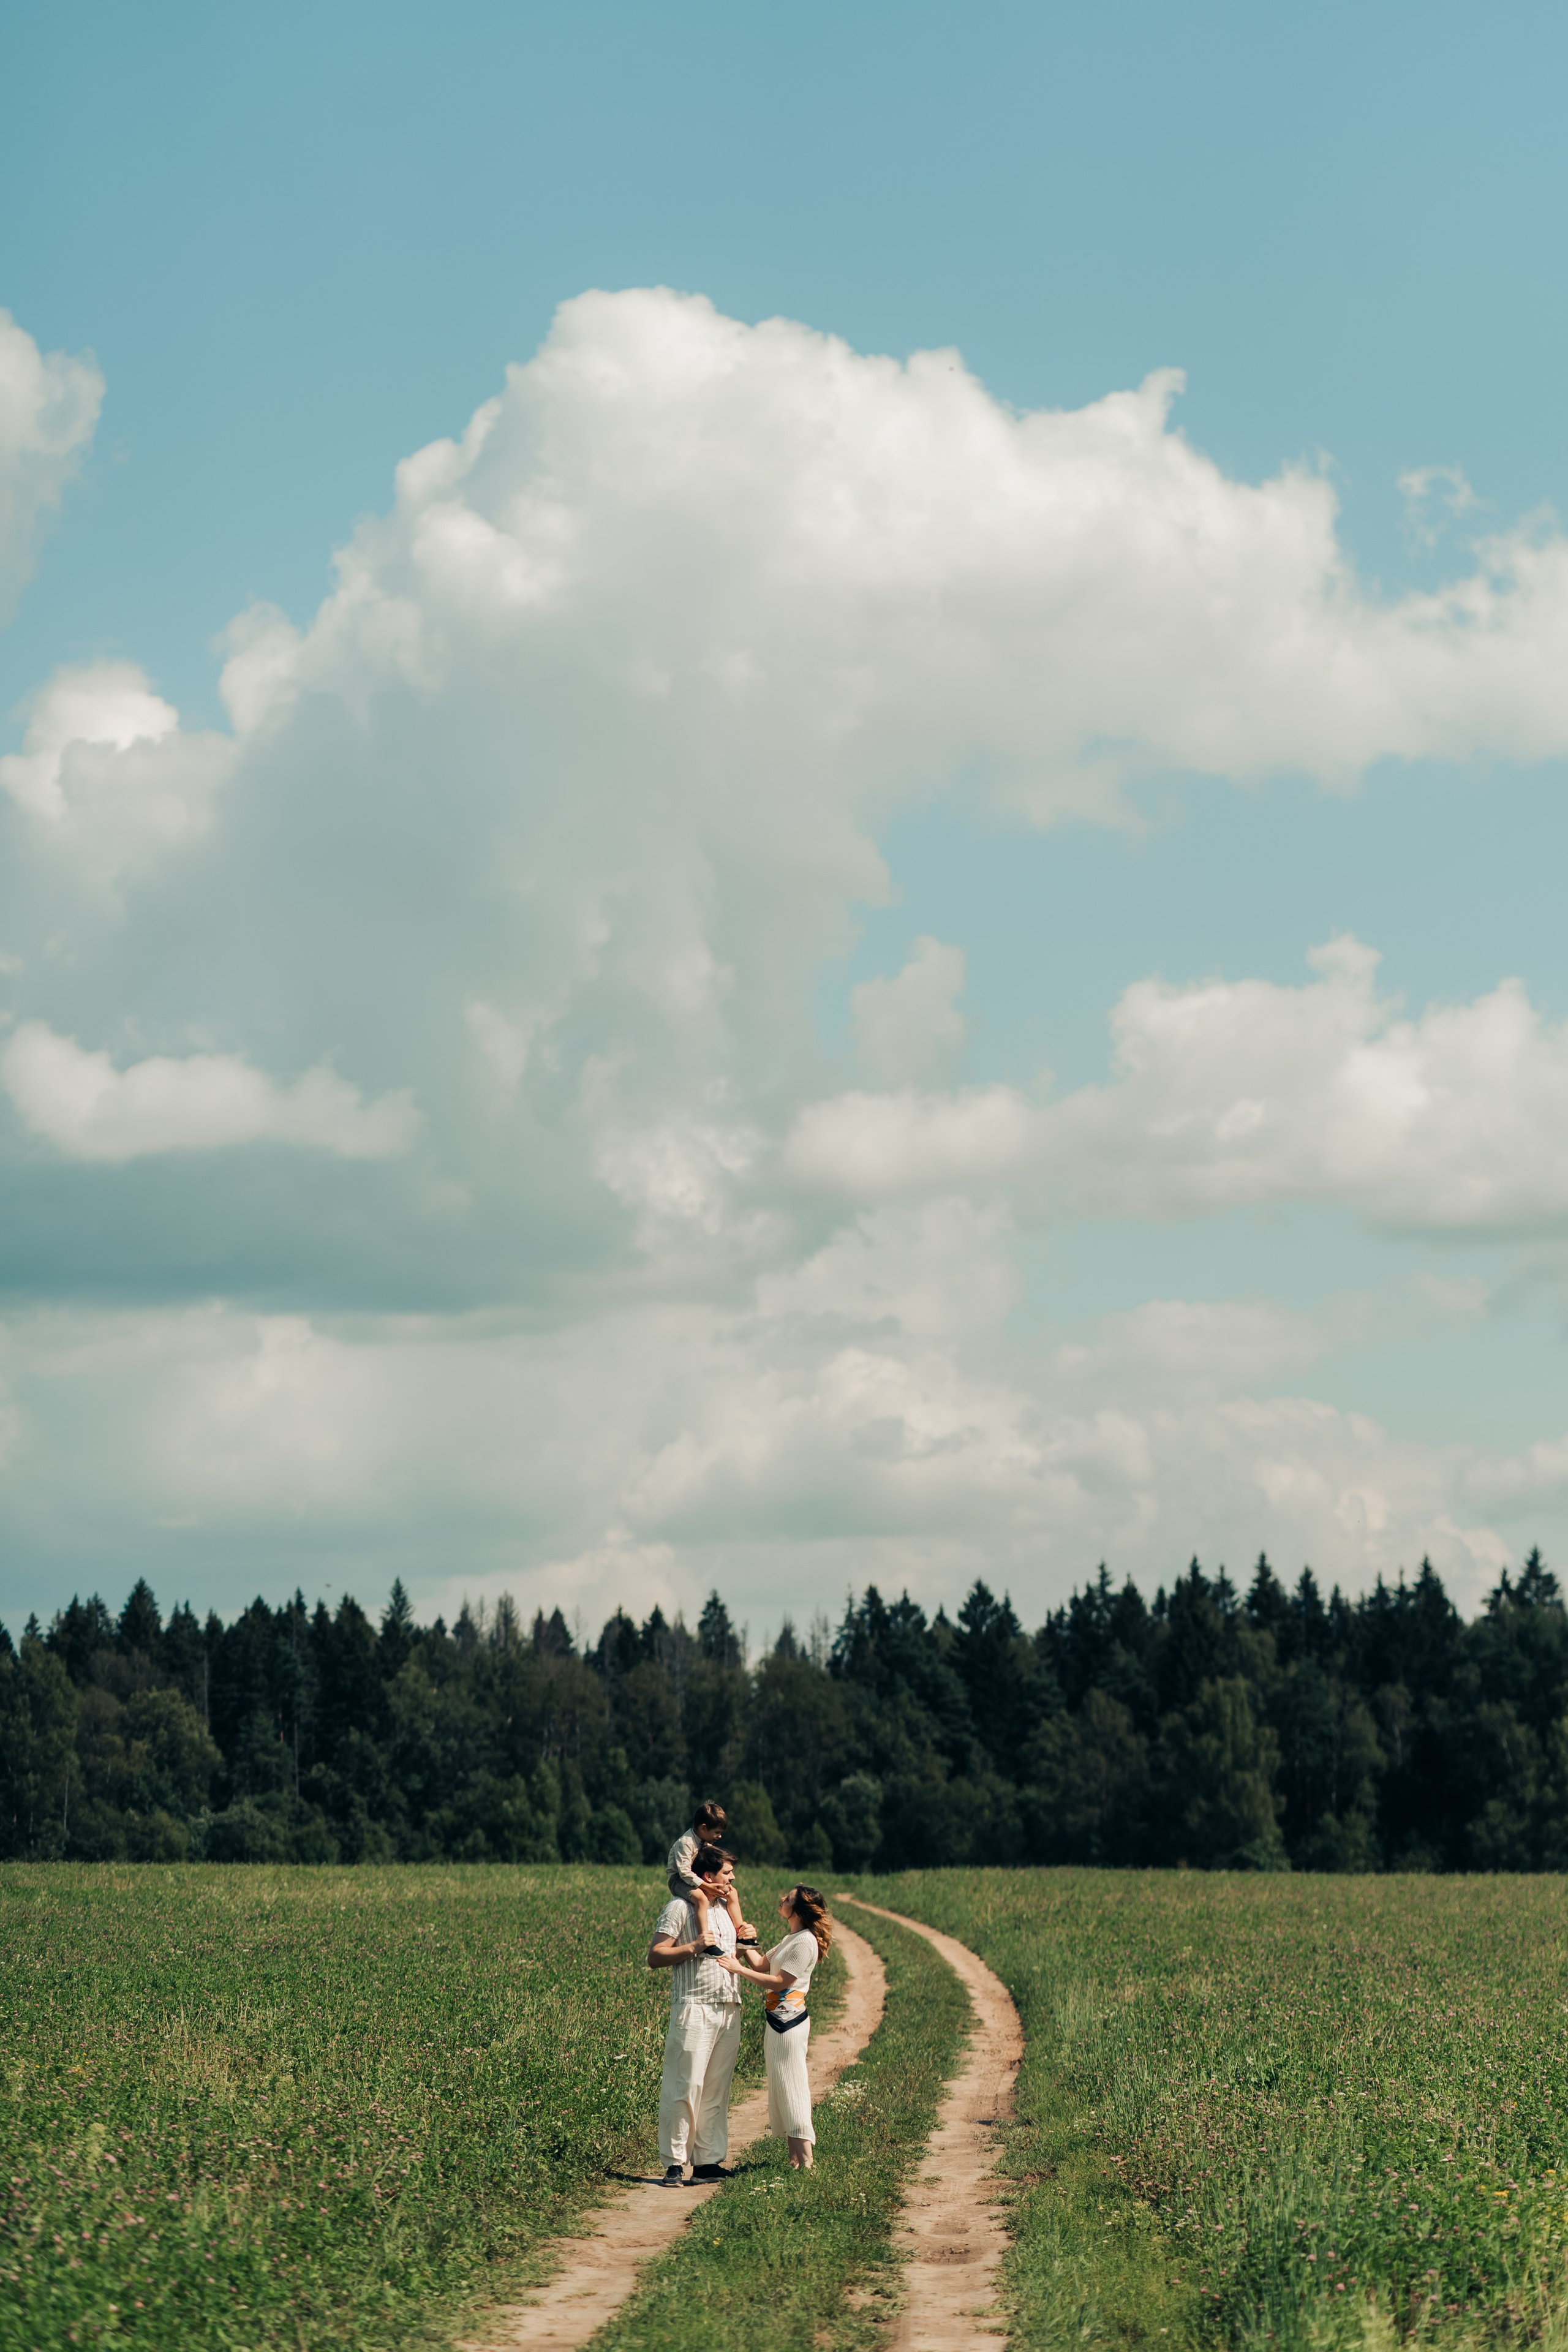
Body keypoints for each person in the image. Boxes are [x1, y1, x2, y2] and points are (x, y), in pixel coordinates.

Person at [647, 1842, 745, 2185]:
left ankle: (707, 2162)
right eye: (727, 1874)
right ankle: (674, 2163)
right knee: (685, 2085)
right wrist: (694, 1948)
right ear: (707, 1876)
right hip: (694, 2006)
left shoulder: (728, 1911)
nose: (733, 1880)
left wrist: (747, 1937)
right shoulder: (680, 1906)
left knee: (716, 2089)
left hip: (730, 2006)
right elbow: (655, 1956)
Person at [717, 1883, 831, 2169]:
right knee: (782, 2086)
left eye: (789, 1898)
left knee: (793, 2085)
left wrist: (737, 1969)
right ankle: (796, 2158)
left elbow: (781, 1982)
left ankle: (806, 2160)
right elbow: (759, 1965)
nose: (782, 1898)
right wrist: (744, 1934)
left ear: (799, 1910)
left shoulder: (806, 1942)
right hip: (777, 2022)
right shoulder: (791, 1938)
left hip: (789, 2024)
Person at [667, 1800, 756, 1954]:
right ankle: (706, 1942)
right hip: (678, 1880)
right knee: (701, 1899)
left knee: (732, 1893)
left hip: (696, 1879)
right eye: (717, 1832)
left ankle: (741, 1936)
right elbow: (684, 1873)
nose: (720, 1836)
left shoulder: (706, 1844)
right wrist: (707, 1887)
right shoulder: (686, 1843)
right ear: (703, 1828)